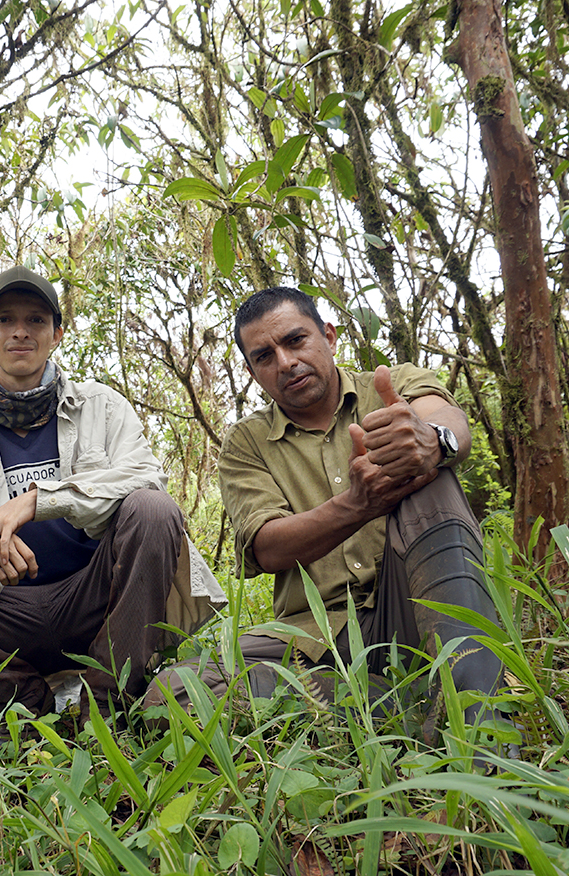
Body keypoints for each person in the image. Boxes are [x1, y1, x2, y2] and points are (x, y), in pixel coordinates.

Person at [0, 266, 225, 718]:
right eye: (5, 320)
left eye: (36, 320)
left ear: (57, 334)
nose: (20, 333)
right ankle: (23, 698)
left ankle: (105, 703)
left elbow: (147, 479)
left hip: (95, 599)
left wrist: (35, 502)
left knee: (153, 508)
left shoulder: (102, 408)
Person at [146, 286, 508, 743]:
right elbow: (266, 545)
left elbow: (446, 418)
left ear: (329, 336)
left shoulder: (393, 386)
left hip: (416, 611)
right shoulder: (246, 443)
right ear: (253, 371)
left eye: (296, 341)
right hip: (314, 639)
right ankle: (411, 709)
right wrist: (357, 505)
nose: (285, 363)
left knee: (423, 468)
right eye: (264, 356)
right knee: (174, 691)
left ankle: (475, 719)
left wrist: (434, 440)